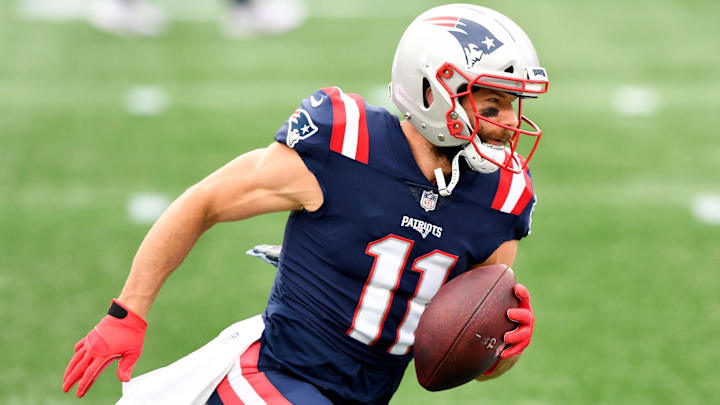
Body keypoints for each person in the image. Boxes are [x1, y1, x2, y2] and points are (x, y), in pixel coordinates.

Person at [63, 3, 548, 404]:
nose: (507, 123)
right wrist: (128, 313)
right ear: (430, 92)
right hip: (271, 377)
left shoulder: (502, 197)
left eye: (512, 106)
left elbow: (468, 342)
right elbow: (204, 202)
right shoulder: (344, 144)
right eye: (492, 105)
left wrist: (503, 350)